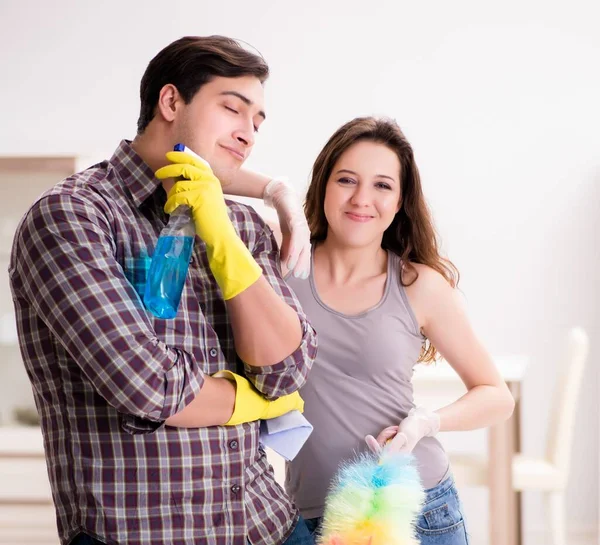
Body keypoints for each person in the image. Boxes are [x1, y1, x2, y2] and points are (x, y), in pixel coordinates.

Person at [8, 36, 317, 545]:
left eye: (257, 122)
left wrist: (224, 242)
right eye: (232, 109)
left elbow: (286, 370)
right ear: (171, 102)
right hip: (143, 533)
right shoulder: (74, 217)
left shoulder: (239, 224)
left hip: (269, 527)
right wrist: (248, 400)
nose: (247, 134)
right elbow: (146, 385)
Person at [232, 116, 515, 544]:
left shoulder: (418, 286)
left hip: (415, 511)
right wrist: (276, 190)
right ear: (323, 186)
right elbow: (195, 173)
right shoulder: (280, 265)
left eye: (382, 185)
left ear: (400, 201)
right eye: (347, 180)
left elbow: (497, 396)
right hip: (310, 516)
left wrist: (425, 423)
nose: (362, 199)